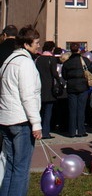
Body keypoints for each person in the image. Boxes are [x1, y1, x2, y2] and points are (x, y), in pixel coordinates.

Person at [0, 25, 42, 196]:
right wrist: (36, 123)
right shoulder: (25, 63)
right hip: (21, 120)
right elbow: (28, 95)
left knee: (10, 165)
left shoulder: (8, 61)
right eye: (36, 42)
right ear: (27, 44)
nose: (38, 46)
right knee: (21, 168)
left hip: (6, 119)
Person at [35, 40, 62, 139]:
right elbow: (54, 73)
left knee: (40, 111)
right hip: (49, 87)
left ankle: (38, 130)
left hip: (39, 87)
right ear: (52, 49)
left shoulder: (38, 59)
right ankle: (46, 132)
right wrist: (59, 81)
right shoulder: (52, 59)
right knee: (48, 111)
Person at [62, 42, 89, 137]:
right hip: (83, 87)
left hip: (71, 87)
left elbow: (64, 76)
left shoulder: (67, 63)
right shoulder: (85, 60)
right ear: (79, 50)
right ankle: (81, 130)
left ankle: (72, 131)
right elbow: (90, 72)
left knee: (72, 110)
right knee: (81, 109)